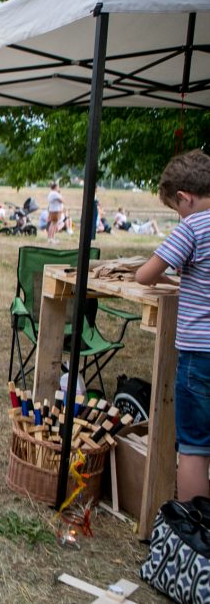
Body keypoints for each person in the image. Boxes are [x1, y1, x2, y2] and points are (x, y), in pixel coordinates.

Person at [135, 149, 210, 502]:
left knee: (195, 446)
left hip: (199, 355)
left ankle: (194, 529)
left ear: (185, 198)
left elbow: (146, 274)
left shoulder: (193, 226)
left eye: (176, 208)